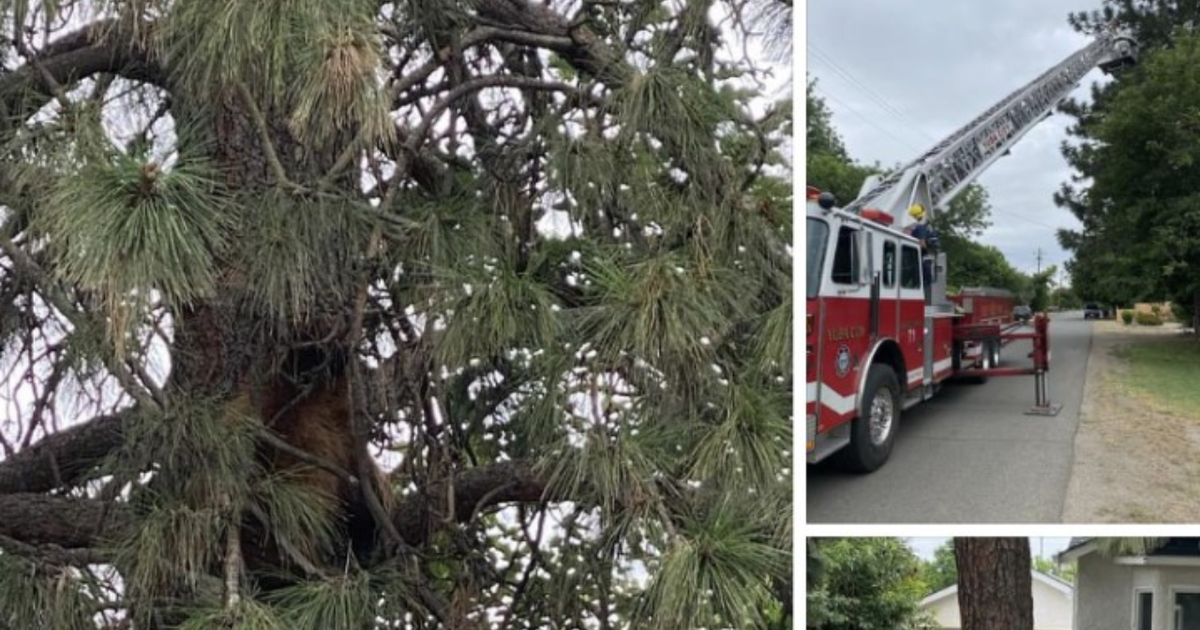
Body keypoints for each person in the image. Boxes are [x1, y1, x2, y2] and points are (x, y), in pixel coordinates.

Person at [905, 203, 936, 303]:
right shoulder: (923, 227)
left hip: (915, 259)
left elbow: (920, 242)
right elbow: (923, 243)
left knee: (914, 280)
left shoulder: (914, 227)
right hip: (923, 258)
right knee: (926, 281)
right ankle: (924, 302)